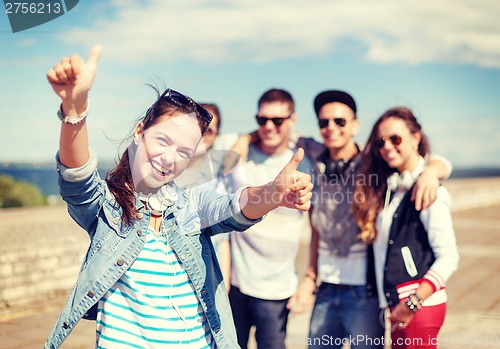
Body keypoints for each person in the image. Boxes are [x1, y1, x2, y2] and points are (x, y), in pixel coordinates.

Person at [43, 46, 313, 349]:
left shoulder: (190, 207)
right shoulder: (109, 208)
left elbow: (235, 207)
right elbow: (77, 176)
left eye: (184, 151)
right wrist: (75, 108)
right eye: (163, 140)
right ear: (140, 131)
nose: (170, 158)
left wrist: (271, 194)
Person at [354, 106, 459, 349]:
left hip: (418, 306)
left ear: (415, 138)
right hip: (399, 305)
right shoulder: (393, 187)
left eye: (396, 138)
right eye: (381, 142)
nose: (387, 147)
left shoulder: (429, 191)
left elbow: (449, 256)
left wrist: (413, 302)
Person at [226, 89, 314, 349]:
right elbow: (221, 168)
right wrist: (246, 137)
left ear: (293, 119)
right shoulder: (243, 151)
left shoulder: (305, 160)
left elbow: (318, 226)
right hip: (236, 285)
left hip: (277, 291)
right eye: (262, 119)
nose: (268, 127)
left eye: (277, 120)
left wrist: (309, 279)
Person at [176, 103, 232, 291]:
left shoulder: (220, 173)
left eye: (208, 130)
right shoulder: (169, 167)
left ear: (216, 135)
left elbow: (223, 239)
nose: (201, 134)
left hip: (210, 272)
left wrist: (225, 283)